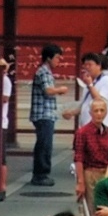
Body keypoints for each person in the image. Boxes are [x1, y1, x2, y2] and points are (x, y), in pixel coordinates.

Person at [29, 45, 69, 188]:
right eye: (57, 57)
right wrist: (60, 89)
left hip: (45, 114)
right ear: (48, 58)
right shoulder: (44, 72)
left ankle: (41, 173)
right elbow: (48, 90)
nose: (59, 60)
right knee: (44, 145)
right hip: (43, 114)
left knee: (43, 144)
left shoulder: (45, 72)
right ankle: (41, 174)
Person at [74, 97, 108, 216]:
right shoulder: (83, 132)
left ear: (106, 112)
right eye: (96, 110)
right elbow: (78, 158)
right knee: (92, 210)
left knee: (107, 207)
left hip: (107, 173)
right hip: (90, 173)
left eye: (102, 110)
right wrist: (81, 182)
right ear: (90, 113)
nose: (99, 113)